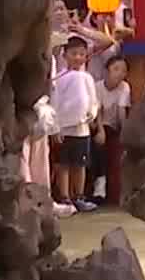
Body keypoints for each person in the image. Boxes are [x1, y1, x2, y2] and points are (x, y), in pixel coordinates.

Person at [50, 37, 101, 213]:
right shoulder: (59, 78)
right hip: (64, 128)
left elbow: (93, 100)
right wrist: (55, 127)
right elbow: (54, 102)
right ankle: (64, 198)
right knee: (63, 164)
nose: (78, 57)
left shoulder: (87, 77)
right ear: (65, 55)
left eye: (81, 54)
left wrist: (92, 113)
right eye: (74, 54)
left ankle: (79, 196)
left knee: (80, 164)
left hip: (82, 129)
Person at [94, 55, 131, 205]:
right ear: (107, 71)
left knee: (118, 155)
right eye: (116, 69)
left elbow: (122, 112)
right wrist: (100, 130)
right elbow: (97, 111)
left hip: (116, 128)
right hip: (98, 125)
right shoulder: (97, 86)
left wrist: (125, 135)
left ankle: (115, 194)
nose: (120, 73)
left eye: (123, 70)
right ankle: (99, 185)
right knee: (98, 148)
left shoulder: (124, 87)